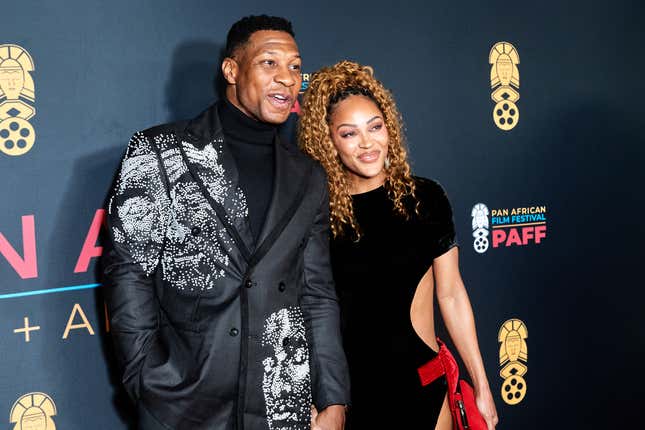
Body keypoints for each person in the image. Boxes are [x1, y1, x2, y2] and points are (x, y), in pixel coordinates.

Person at [102, 16, 349, 430]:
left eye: (294, 66)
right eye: (270, 63)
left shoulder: (308, 175)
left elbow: (318, 293)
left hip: (282, 402)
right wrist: (145, 377)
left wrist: (334, 398)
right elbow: (129, 271)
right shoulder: (159, 151)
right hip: (183, 402)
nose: (287, 78)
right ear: (232, 70)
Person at [298, 61, 498, 429]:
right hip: (353, 399)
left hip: (422, 387)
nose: (367, 143)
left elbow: (451, 294)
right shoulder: (317, 215)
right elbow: (307, 312)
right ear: (328, 141)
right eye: (349, 133)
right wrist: (319, 401)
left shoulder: (424, 199)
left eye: (375, 127)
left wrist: (482, 385)